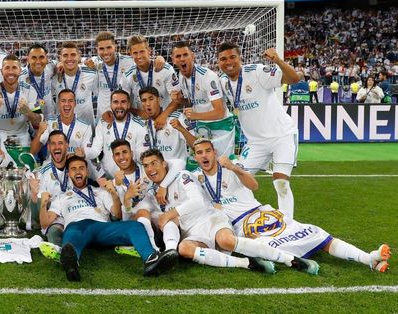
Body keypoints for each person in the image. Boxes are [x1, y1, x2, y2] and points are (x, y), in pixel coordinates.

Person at [191, 138, 391, 273]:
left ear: (214, 152)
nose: (204, 155)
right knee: (267, 247)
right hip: (242, 225)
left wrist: (234, 167)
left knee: (315, 232)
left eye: (208, 151)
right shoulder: (195, 178)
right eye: (199, 152)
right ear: (195, 157)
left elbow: (254, 185)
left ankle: (368, 259)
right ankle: (296, 262)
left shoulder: (231, 167)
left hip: (262, 212)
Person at [142, 148, 319, 275]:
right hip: (190, 231)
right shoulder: (150, 192)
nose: (151, 169)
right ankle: (246, 263)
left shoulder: (183, 176)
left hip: (209, 218)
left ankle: (289, 259)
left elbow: (196, 201)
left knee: (225, 240)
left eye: (154, 163)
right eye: (146, 166)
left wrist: (170, 213)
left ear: (164, 163)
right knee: (185, 250)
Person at [39, 155, 177, 281]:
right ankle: (71, 264)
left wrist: (114, 195)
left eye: (81, 168)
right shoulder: (62, 197)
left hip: (102, 228)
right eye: (73, 169)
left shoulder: (100, 192)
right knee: (71, 236)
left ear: (87, 171)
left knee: (135, 226)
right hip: (77, 226)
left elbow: (116, 216)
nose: (78, 171)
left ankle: (151, 259)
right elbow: (45, 223)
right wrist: (43, 205)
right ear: (69, 174)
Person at [217, 43, 300, 220]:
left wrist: (277, 60)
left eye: (232, 57)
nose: (228, 62)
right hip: (255, 143)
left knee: (281, 182)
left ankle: (288, 224)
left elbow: (293, 79)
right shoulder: (223, 83)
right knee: (236, 179)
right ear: (218, 62)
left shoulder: (257, 71)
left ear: (240, 58)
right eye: (223, 59)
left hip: (282, 136)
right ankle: (244, 216)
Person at [171, 41, 236, 160]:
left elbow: (219, 112)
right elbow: (193, 101)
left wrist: (195, 115)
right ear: (173, 60)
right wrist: (181, 100)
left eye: (185, 55)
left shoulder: (207, 76)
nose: (182, 59)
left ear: (192, 56)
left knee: (223, 165)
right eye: (178, 56)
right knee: (205, 166)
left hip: (221, 126)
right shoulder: (181, 76)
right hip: (202, 125)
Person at [0, 54, 42, 169]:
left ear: (20, 71)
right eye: (7, 68)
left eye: (14, 68)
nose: (11, 72)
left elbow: (39, 121)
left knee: (26, 174)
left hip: (21, 138)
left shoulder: (29, 90)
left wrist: (28, 112)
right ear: (1, 71)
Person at [89, 89, 148, 179]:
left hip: (133, 179)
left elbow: (142, 156)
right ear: (111, 105)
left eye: (123, 102)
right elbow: (95, 151)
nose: (119, 106)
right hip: (108, 179)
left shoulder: (140, 126)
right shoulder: (103, 123)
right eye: (115, 102)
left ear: (128, 104)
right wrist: (84, 154)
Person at [122, 35, 179, 125]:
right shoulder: (127, 76)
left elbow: (177, 99)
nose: (139, 56)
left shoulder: (165, 69)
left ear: (149, 51)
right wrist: (139, 112)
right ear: (130, 53)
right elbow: (122, 104)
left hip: (166, 119)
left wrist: (163, 116)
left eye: (142, 51)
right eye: (135, 53)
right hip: (142, 122)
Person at [30, 89, 94, 161]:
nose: (67, 104)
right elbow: (33, 151)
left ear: (75, 104)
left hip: (74, 166)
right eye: (63, 101)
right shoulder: (49, 124)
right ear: (58, 103)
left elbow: (88, 153)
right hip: (53, 167)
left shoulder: (85, 127)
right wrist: (39, 133)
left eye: (70, 101)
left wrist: (83, 154)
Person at [89, 31, 135, 121]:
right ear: (96, 49)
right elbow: (73, 62)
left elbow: (147, 63)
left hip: (125, 116)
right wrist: (59, 64)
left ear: (115, 47)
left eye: (109, 47)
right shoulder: (93, 62)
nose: (105, 52)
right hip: (103, 117)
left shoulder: (129, 62)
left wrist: (159, 59)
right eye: (101, 48)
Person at [139, 87, 190, 165]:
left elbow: (195, 144)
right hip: (155, 172)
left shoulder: (177, 117)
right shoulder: (141, 124)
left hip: (176, 170)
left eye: (151, 99)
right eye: (144, 100)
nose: (148, 104)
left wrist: (181, 129)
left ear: (159, 100)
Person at [52, 41, 97, 123]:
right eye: (65, 55)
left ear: (79, 56)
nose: (69, 58)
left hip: (86, 129)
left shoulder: (91, 73)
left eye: (73, 55)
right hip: (62, 129)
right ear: (60, 58)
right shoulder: (54, 76)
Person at [22, 43, 57, 119]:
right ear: (28, 59)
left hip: (51, 117)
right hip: (32, 119)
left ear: (46, 58)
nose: (38, 61)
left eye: (41, 57)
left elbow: (65, 62)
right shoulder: (20, 76)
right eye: (34, 57)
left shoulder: (51, 67)